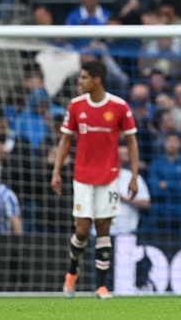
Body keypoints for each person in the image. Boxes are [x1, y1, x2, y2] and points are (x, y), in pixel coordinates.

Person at [50, 61, 140, 300]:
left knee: (103, 228)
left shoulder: (119, 107)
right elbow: (66, 140)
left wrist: (133, 176)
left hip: (109, 176)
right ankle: (72, 271)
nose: (80, 82)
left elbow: (131, 141)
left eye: (83, 78)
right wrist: (56, 171)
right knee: (82, 230)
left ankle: (101, 286)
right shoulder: (76, 106)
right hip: (82, 176)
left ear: (97, 80)